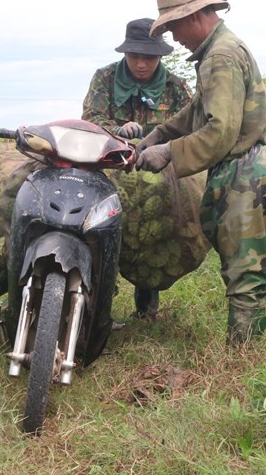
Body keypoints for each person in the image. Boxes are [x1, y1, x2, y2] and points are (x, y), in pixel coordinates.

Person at [134, 0, 266, 352]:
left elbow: (220, 131)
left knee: (246, 275)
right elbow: (199, 110)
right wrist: (159, 134)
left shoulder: (219, 56)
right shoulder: (225, 48)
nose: (174, 38)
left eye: (174, 27)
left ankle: (243, 366)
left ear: (196, 16)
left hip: (246, 173)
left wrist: (167, 153)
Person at [82, 17, 193, 318]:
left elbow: (193, 125)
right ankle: (96, 301)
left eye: (149, 57)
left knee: (151, 234)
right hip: (109, 171)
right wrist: (117, 129)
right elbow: (90, 118)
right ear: (125, 54)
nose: (141, 64)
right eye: (135, 57)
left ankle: (146, 308)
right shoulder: (104, 79)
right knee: (99, 229)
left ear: (160, 56)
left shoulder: (176, 87)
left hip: (158, 178)